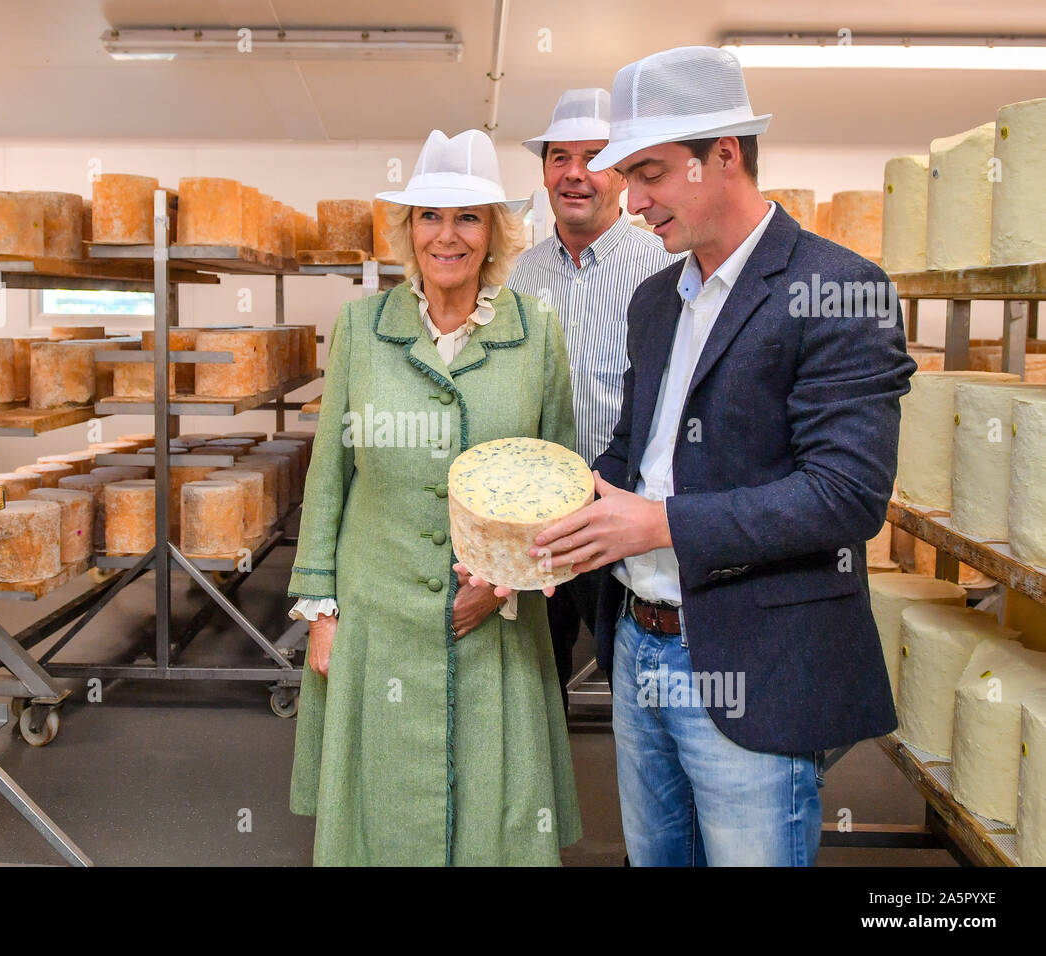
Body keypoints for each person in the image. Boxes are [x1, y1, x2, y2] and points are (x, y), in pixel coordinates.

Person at [508, 46, 915, 865]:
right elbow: (634, 450)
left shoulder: (837, 289)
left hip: (749, 660)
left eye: (652, 172)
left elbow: (844, 496)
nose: (635, 198)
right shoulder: (658, 298)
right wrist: (565, 504)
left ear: (723, 155)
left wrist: (657, 525)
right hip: (638, 646)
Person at [286, 128, 582, 866]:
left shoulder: (538, 332)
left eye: (468, 217)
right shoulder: (361, 327)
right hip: (376, 611)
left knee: (495, 810)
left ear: (496, 235)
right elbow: (329, 476)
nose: (445, 236)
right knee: (380, 812)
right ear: (407, 229)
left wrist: (505, 585)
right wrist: (320, 611)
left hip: (496, 624)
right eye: (429, 216)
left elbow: (561, 486)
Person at [509, 88, 681, 710]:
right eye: (560, 158)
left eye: (594, 156)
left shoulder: (663, 266)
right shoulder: (517, 276)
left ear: (622, 171)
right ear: (545, 172)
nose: (575, 173)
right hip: (538, 514)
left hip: (625, 507)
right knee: (534, 675)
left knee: (637, 671)